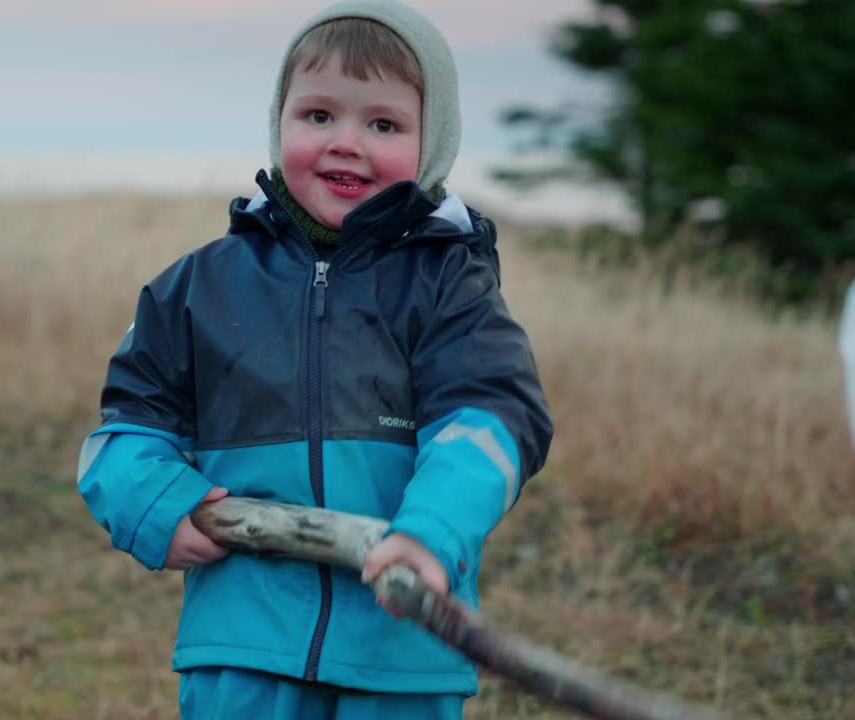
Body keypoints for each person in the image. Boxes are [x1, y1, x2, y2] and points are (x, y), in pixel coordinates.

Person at [76, 1, 553, 717]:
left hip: (401, 651)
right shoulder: (202, 286)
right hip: (244, 649)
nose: (346, 143)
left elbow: (491, 425)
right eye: (318, 116)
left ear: (433, 143)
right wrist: (154, 504)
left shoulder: (449, 287)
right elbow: (125, 431)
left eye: (383, 124)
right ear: (281, 122)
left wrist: (432, 531)